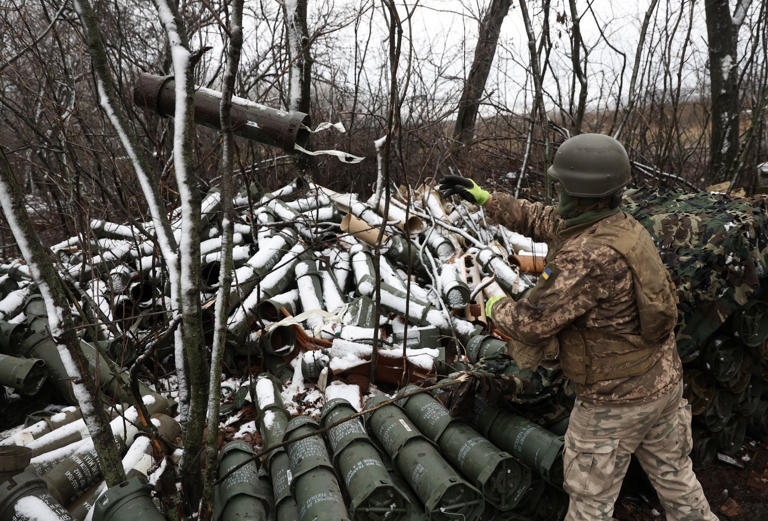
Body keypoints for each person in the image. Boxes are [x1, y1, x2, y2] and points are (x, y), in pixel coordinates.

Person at [438, 133, 719, 521]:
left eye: (562, 187)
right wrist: (486, 199)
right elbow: (544, 220)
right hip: (662, 383)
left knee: (589, 505)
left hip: (614, 402)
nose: (557, 195)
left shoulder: (588, 256)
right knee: (677, 480)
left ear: (582, 193)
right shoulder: (617, 225)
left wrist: (490, 303)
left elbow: (531, 323)